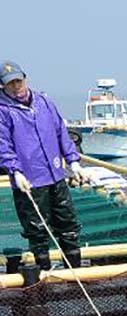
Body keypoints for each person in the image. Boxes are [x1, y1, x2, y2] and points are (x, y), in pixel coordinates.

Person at [0, 61, 87, 276]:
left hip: (56, 175)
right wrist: (15, 171)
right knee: (37, 230)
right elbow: (3, 145)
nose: (15, 86)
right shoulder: (3, 111)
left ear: (25, 78)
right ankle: (44, 276)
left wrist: (73, 161)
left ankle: (74, 272)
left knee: (68, 224)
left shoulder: (45, 103)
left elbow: (61, 133)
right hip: (30, 181)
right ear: (2, 86)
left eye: (18, 81)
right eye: (10, 83)